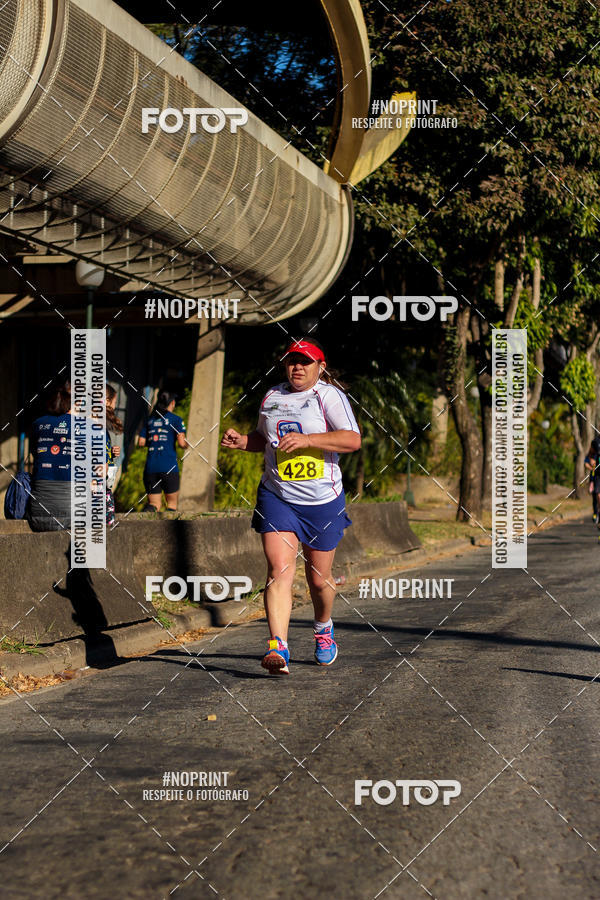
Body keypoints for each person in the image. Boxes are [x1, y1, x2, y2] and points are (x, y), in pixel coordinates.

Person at [221, 337, 361, 675]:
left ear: (320, 367)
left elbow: (352, 439)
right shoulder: (272, 396)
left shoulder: (329, 396)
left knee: (318, 579)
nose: (297, 367)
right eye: (292, 361)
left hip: (321, 501)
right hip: (278, 495)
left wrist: (309, 440)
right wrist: (243, 442)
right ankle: (277, 646)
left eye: (306, 362)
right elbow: (262, 439)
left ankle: (323, 629)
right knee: (279, 570)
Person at [27, 377, 73, 532]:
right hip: (71, 515)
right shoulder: (80, 425)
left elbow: (35, 452)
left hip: (37, 514)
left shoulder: (37, 423)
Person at [137, 391, 187, 512]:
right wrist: (187, 445)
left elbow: (141, 442)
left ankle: (144, 525)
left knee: (154, 504)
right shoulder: (176, 420)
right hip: (169, 467)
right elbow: (182, 443)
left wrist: (154, 442)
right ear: (173, 403)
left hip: (151, 468)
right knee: (172, 505)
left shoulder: (149, 420)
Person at [105, 384, 123, 526]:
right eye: (114, 402)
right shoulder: (96, 424)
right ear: (106, 401)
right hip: (99, 486)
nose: (115, 407)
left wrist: (110, 453)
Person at [584, 439, 598, 523]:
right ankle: (595, 512)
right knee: (594, 496)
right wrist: (592, 468)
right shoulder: (591, 454)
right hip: (593, 478)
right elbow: (586, 463)